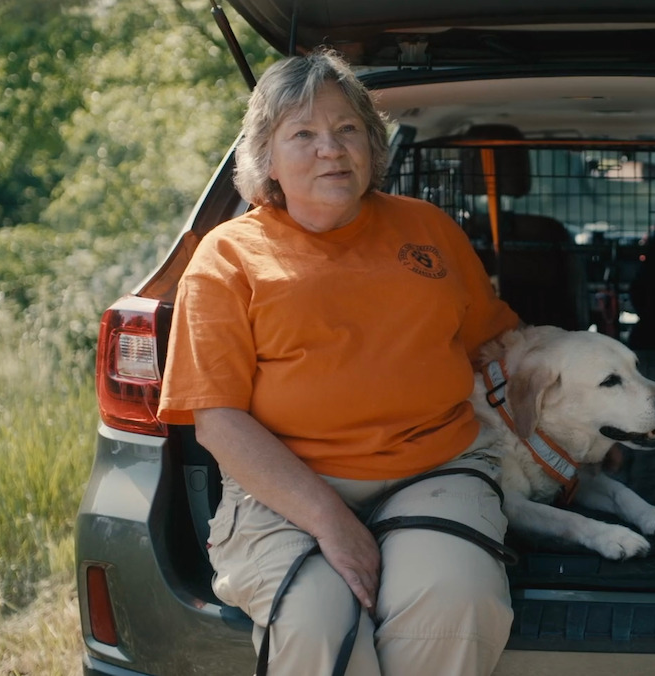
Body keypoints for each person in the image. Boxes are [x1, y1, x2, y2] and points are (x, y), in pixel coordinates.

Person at [156, 49, 520, 676]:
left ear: (372, 146)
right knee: (318, 621)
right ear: (265, 157)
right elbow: (216, 420)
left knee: (453, 602)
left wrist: (576, 424)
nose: (331, 148)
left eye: (347, 129)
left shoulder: (430, 229)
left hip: (435, 468)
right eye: (304, 134)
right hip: (284, 487)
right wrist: (331, 522)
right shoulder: (227, 257)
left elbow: (497, 348)